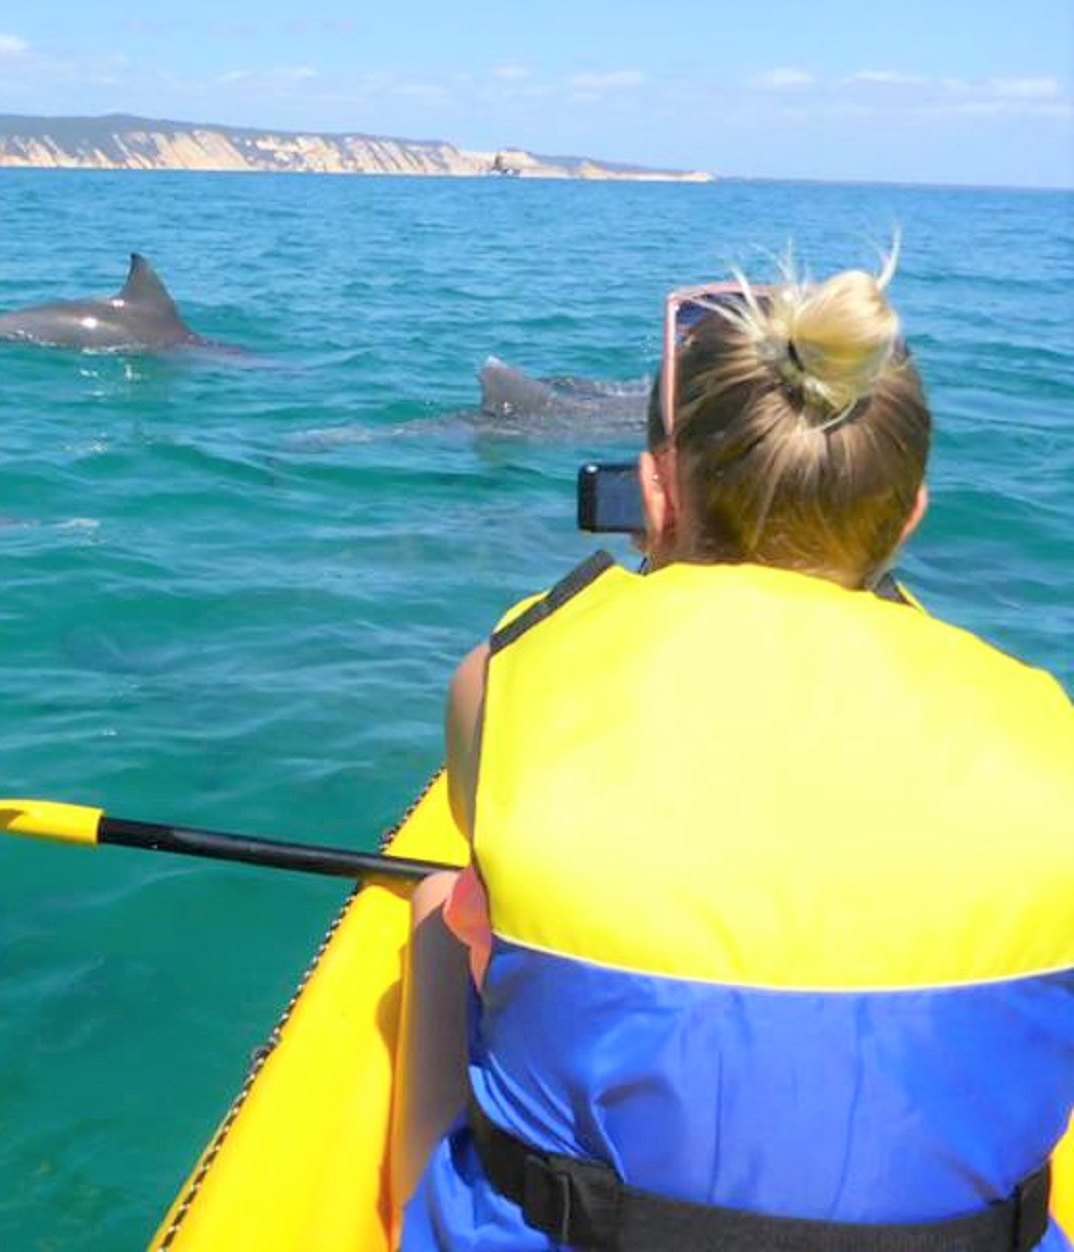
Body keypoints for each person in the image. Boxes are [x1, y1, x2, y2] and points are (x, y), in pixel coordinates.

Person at [397, 253, 1074, 1251]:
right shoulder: (1041, 720)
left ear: (653, 495)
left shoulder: (506, 673)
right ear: (910, 511)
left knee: (437, 906)